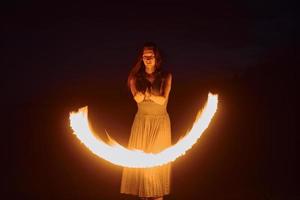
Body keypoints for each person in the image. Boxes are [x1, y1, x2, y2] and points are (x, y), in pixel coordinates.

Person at [120, 42, 172, 200]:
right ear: (141, 58)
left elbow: (163, 99)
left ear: (157, 58)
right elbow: (136, 96)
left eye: (151, 56)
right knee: (143, 168)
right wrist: (140, 95)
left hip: (160, 123)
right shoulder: (134, 78)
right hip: (142, 123)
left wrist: (149, 96)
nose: (148, 59)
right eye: (145, 56)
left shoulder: (166, 76)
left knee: (155, 168)